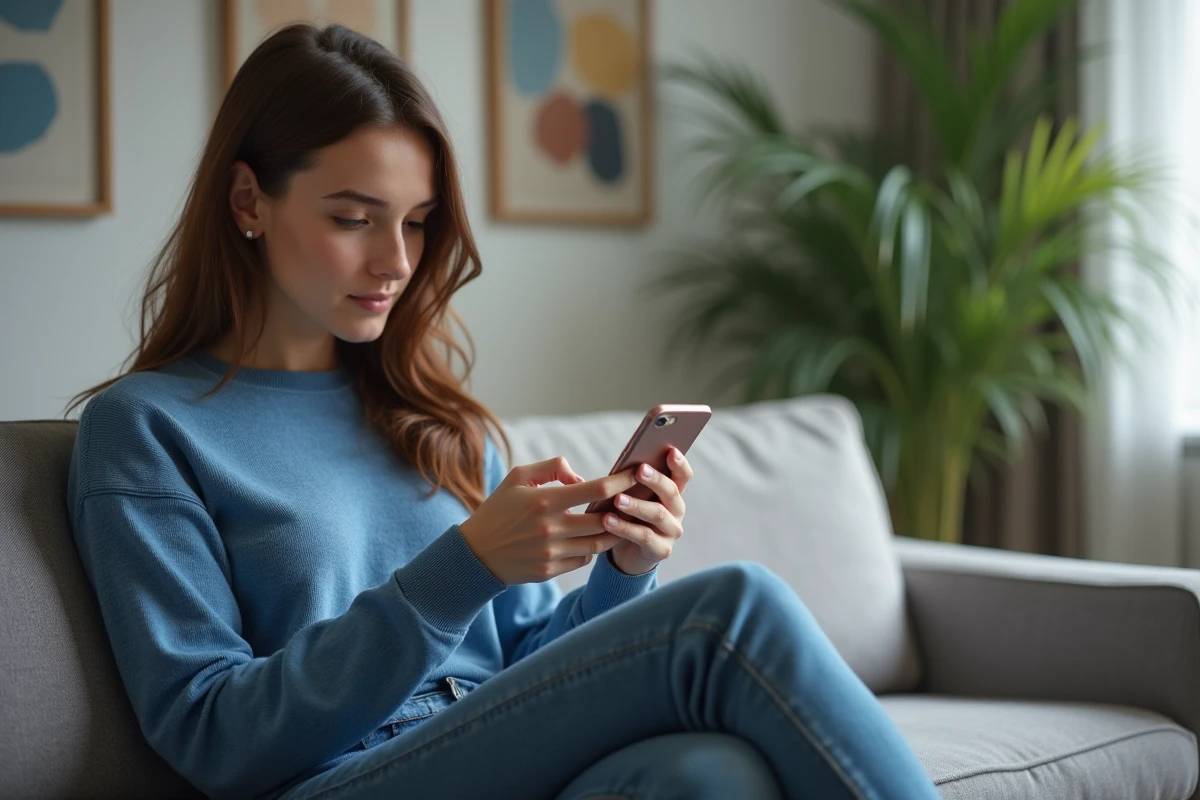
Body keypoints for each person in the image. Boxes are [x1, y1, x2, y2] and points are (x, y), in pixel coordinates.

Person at [62, 22, 940, 800]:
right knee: (732, 610)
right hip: (333, 779)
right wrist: (463, 567)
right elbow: (210, 735)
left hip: (488, 756)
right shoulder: (146, 431)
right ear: (249, 200)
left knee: (712, 778)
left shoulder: (437, 421)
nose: (397, 262)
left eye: (416, 223)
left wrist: (623, 571)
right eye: (354, 218)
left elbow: (526, 666)